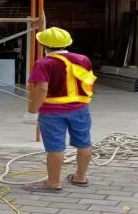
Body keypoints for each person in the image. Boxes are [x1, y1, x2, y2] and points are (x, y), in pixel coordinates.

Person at [24, 27, 96, 193]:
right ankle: (80, 178)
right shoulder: (83, 59)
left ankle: (54, 183)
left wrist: (32, 111)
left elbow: (42, 89)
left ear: (43, 44)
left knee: (55, 147)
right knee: (84, 143)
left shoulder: (44, 63)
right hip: (80, 108)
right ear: (67, 42)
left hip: (52, 111)